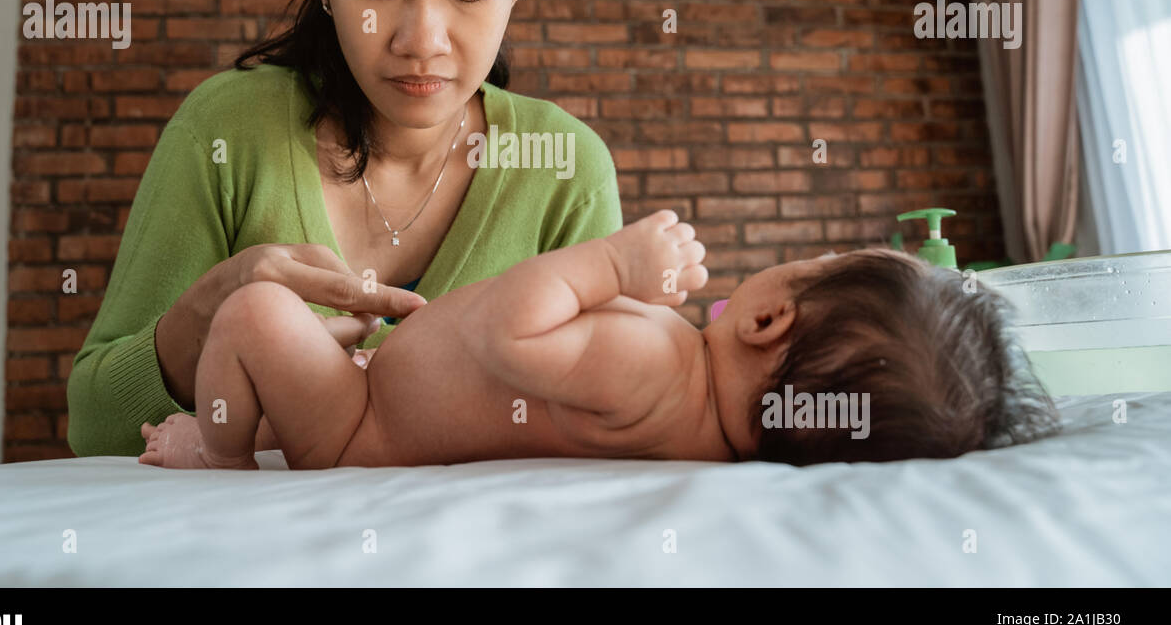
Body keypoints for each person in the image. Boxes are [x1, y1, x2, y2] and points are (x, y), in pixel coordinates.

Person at [67, 0, 622, 457]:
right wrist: (203, 319)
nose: (422, 39)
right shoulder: (226, 132)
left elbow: (606, 429)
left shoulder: (567, 171)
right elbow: (94, 429)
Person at [138, 209, 1062, 470]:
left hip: (357, 422)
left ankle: (217, 450)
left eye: (818, 259)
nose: (805, 256)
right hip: (379, 386)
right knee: (283, 334)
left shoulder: (657, 365)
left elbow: (510, 334)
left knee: (256, 312)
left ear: (771, 318)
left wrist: (614, 265)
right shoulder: (691, 411)